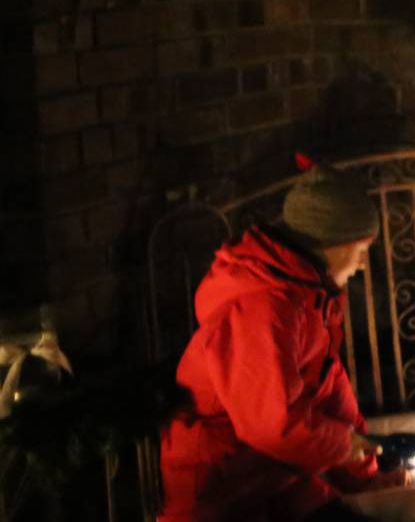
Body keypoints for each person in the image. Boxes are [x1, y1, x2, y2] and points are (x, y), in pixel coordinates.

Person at [159, 163, 398, 522]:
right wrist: (344, 448)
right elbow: (273, 425)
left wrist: (362, 473)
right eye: (359, 248)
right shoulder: (261, 308)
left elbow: (328, 384)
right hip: (221, 491)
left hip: (275, 476)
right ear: (327, 244)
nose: (363, 263)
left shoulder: (311, 294)